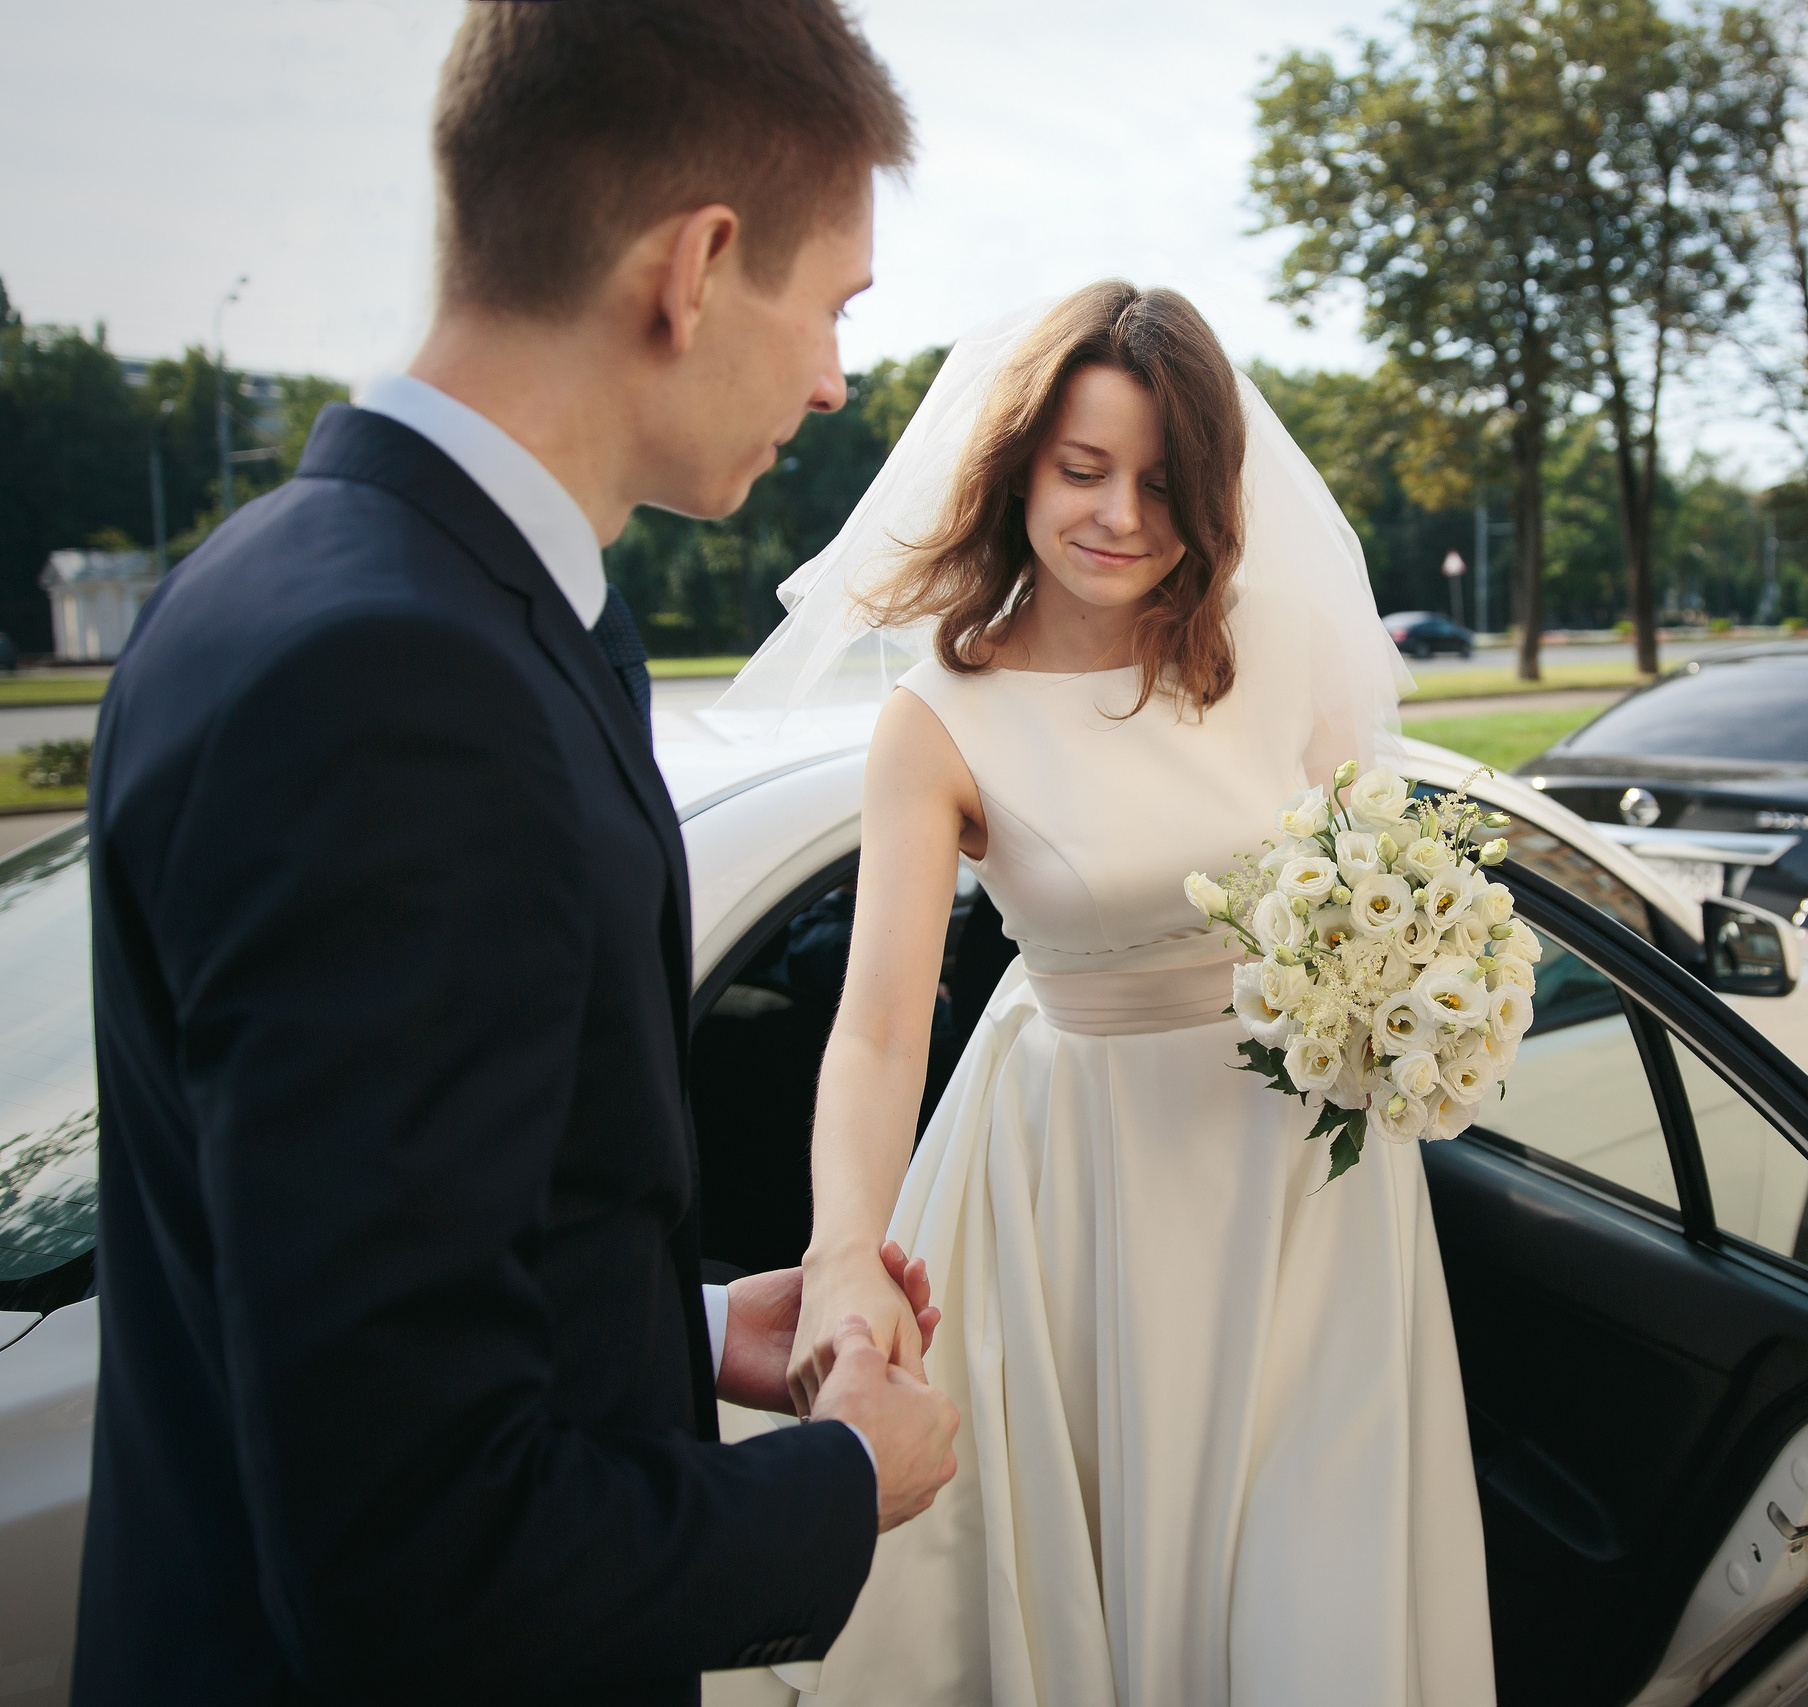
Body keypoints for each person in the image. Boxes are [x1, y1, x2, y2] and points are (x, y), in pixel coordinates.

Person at [75, 5, 956, 1703]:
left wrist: (681, 1334)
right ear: (696, 268)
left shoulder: (290, 576)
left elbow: (334, 1286)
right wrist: (837, 1493)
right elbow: (411, 1553)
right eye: (833, 304)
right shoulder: (399, 690)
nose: (838, 378)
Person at [719, 282, 1495, 1704]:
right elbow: (883, 1028)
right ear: (1019, 465)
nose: (1122, 515)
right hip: (1082, 1191)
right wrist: (843, 1254)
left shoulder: (1277, 650)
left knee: (1309, 1595)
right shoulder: (940, 718)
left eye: (1162, 481)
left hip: (1310, 1195)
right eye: (1083, 470)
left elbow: (1368, 881)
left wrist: (1422, 989)